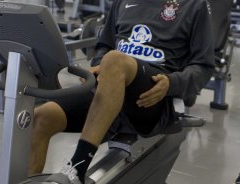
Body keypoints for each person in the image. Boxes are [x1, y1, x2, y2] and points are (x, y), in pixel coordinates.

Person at [29, 0, 215, 183]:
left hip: (152, 98)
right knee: (41, 117)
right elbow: (105, 45)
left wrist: (172, 83)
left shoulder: (195, 5)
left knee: (116, 59)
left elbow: (204, 66)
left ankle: (77, 168)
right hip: (111, 85)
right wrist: (98, 65)